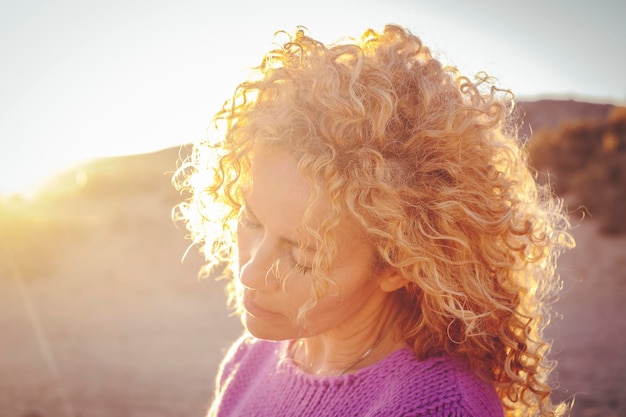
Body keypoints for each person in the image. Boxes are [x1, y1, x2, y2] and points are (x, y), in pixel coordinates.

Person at [173, 24, 575, 417]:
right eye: (252, 220)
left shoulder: (439, 408)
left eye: (302, 254)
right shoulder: (253, 357)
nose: (250, 271)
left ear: (398, 263)